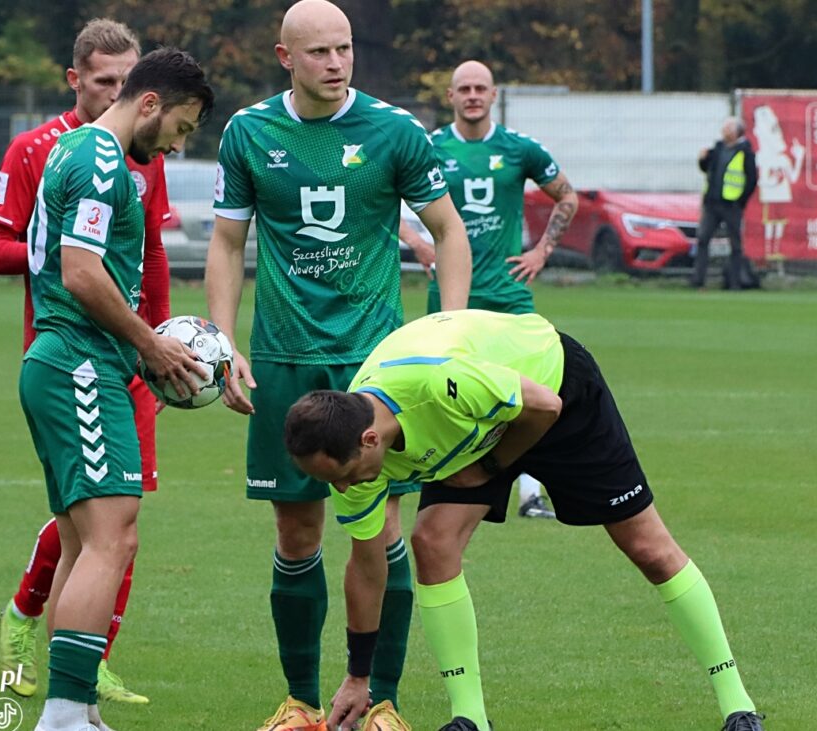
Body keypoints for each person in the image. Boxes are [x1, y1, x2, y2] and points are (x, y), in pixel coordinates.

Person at [284, 309, 766, 731]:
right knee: (433, 540)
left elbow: (544, 406)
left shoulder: (440, 385)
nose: (342, 489)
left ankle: (738, 707)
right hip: (476, 427)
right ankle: (468, 717)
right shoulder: (347, 451)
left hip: (553, 387)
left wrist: (492, 467)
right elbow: (367, 566)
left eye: (344, 477)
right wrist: (358, 676)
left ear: (370, 440)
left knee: (649, 549)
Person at [205, 1, 472, 729]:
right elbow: (228, 243)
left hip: (372, 366)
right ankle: (300, 700)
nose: (336, 62)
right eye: (319, 51)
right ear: (284, 56)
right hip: (284, 360)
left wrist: (446, 326)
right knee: (296, 533)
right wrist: (224, 340)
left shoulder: (393, 130)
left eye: (344, 49)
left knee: (378, 532)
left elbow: (448, 232)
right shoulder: (250, 131)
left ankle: (382, 699)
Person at [17, 48, 212, 731]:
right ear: (151, 103)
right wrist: (148, 341)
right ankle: (64, 711)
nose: (178, 145)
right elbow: (80, 272)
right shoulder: (102, 160)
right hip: (79, 361)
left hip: (63, 360)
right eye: (182, 128)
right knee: (111, 538)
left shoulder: (74, 147)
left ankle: (78, 707)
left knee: (84, 543)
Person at [0, 19, 170, 705]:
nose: (120, 92)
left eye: (130, 80)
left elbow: (143, 252)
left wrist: (160, 340)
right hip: (78, 351)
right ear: (75, 79)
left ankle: (82, 675)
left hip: (125, 352)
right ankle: (34, 632)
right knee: (101, 527)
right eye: (105, 82)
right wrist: (63, 263)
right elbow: (20, 254)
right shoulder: (55, 151)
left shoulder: (137, 158)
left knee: (112, 527)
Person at [402, 59, 580, 521]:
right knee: (444, 384)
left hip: (507, 291)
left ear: (494, 95)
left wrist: (541, 252)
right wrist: (419, 242)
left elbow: (567, 195)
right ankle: (448, 478)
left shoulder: (519, 148)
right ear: (451, 97)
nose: (473, 95)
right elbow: (383, 196)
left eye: (481, 88)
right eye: (464, 88)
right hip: (451, 292)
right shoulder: (430, 146)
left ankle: (531, 491)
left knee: (538, 388)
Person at [691, 117, 759, 290]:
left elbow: (752, 179)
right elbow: (707, 169)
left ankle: (735, 282)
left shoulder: (746, 152)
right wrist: (702, 159)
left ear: (737, 132)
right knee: (703, 239)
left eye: (728, 128)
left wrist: (740, 201)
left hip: (731, 206)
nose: (724, 131)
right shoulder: (718, 148)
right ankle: (698, 280)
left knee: (735, 245)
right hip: (712, 204)